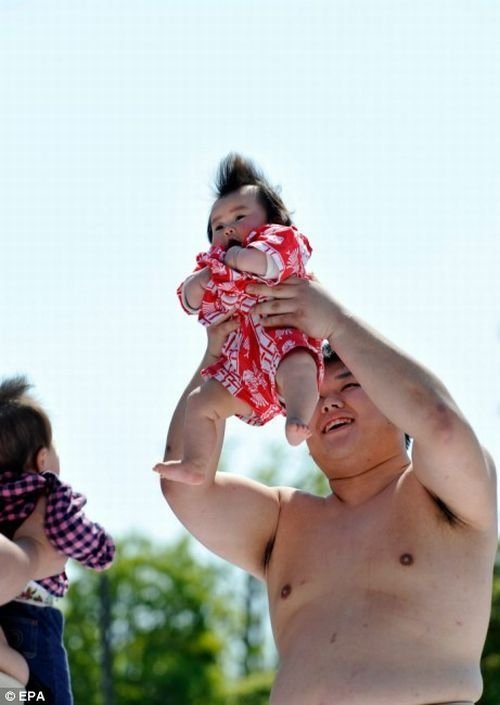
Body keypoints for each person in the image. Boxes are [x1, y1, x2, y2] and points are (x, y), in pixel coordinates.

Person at [156, 274, 498, 705]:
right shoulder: (284, 521)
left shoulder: (441, 495)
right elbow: (184, 486)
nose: (330, 401)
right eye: (315, 394)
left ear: (395, 404)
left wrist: (335, 323)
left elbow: (442, 426)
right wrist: (216, 357)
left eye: (350, 385)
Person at [162, 154, 324, 485]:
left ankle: (297, 417)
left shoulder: (282, 243)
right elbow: (188, 300)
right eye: (218, 227)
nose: (229, 228)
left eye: (240, 217)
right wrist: (204, 279)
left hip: (284, 345)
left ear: (274, 220)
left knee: (301, 368)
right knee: (200, 403)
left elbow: (270, 263)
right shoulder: (213, 269)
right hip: (242, 371)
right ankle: (196, 462)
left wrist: (238, 257)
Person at [0, 375, 115, 704]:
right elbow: (73, 534)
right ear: (41, 459)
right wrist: (101, 552)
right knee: (46, 696)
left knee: (18, 694)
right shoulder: (49, 494)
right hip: (31, 618)